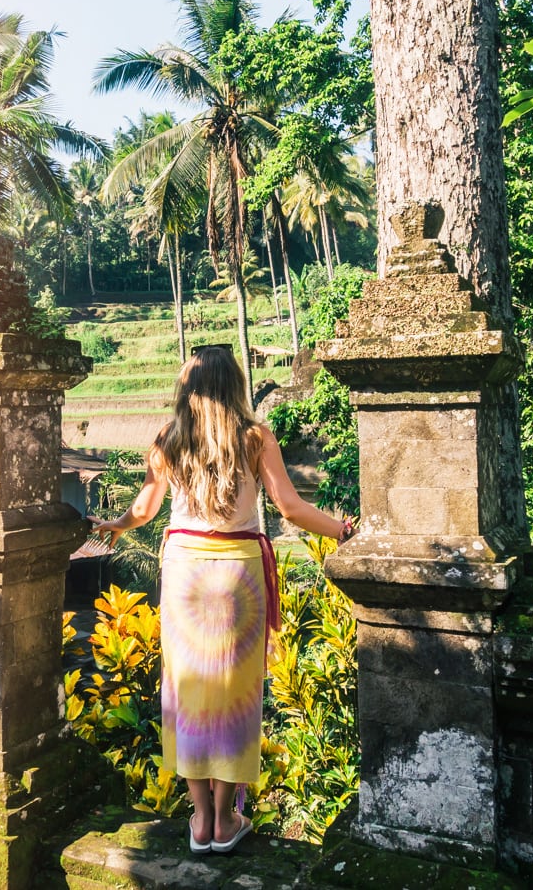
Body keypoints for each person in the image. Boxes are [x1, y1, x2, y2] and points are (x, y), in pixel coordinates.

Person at [90, 345, 356, 856]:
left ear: (188, 388)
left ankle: (200, 819)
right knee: (235, 693)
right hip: (239, 574)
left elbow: (145, 509)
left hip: (185, 571)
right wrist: (343, 529)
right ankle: (227, 817)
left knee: (188, 692)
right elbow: (292, 509)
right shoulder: (255, 438)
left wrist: (116, 524)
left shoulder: (168, 440)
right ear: (233, 383)